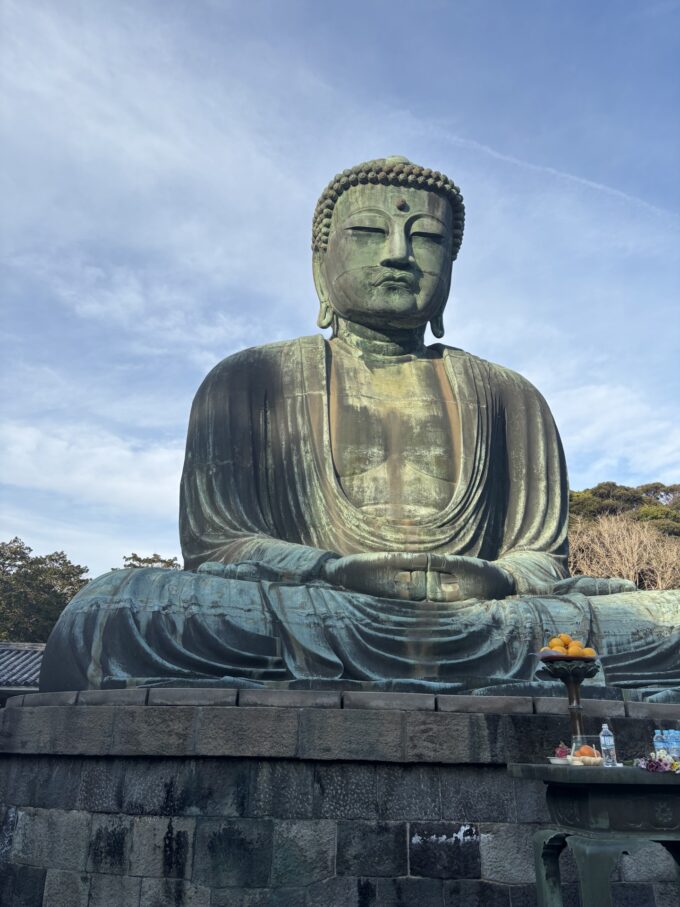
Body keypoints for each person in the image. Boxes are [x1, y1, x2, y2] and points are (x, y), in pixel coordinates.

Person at [40, 158, 680, 695]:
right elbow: (220, 546)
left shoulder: (509, 394)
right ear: (321, 263)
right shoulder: (249, 379)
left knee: (666, 620)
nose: (398, 253)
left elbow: (540, 555)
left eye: (427, 239)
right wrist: (332, 571)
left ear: (450, 269)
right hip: (315, 607)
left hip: (486, 616)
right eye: (371, 231)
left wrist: (501, 576)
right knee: (112, 612)